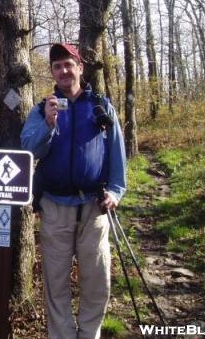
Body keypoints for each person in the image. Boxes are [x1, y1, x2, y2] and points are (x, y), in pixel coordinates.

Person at [20, 43, 126, 339]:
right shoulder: (42, 109)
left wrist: (116, 192)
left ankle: (89, 333)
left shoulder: (101, 106)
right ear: (52, 73)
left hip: (95, 207)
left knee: (96, 281)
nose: (64, 70)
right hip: (54, 208)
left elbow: (116, 153)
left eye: (69, 64)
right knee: (56, 283)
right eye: (57, 66)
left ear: (80, 67)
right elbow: (30, 149)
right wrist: (49, 124)